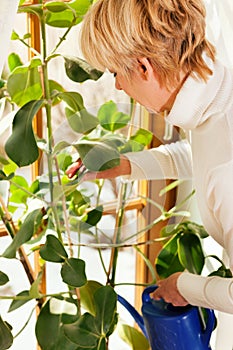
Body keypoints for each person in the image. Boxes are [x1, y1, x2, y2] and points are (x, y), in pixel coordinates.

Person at [67, 0, 233, 314]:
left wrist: (185, 286)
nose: (117, 83)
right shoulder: (216, 99)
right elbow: (198, 158)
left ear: (144, 67)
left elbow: (221, 169)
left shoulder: (228, 165)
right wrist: (122, 166)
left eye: (116, 71)